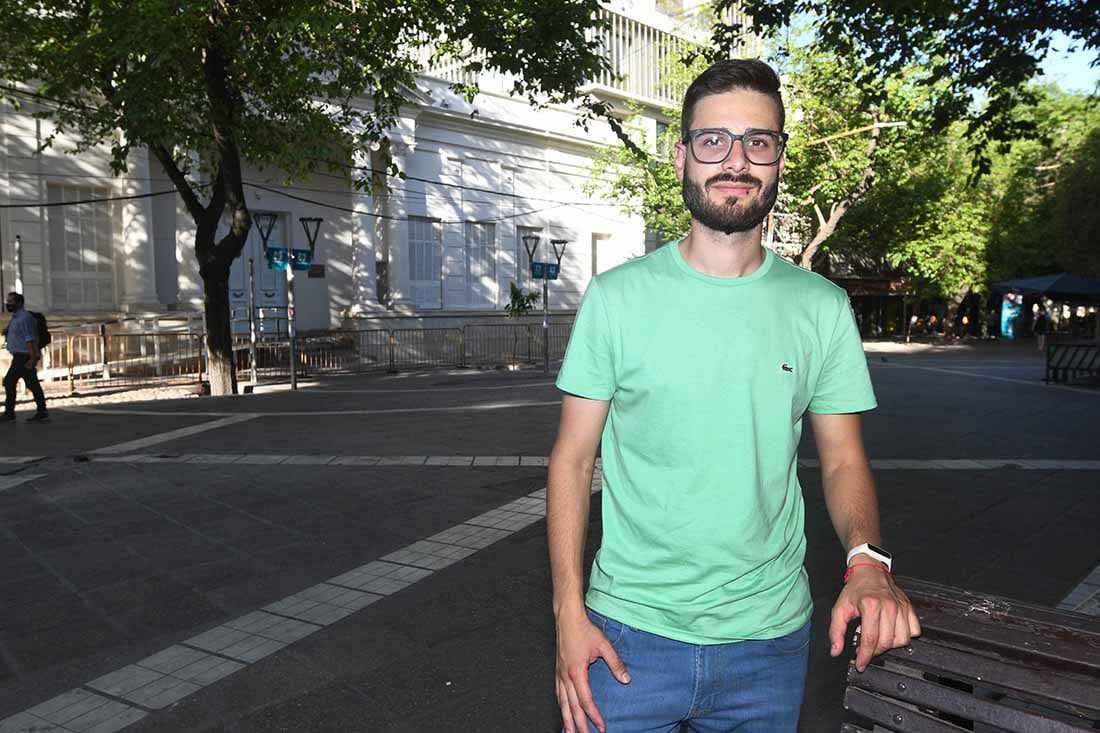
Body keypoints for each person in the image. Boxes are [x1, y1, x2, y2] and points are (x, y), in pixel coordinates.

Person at [548, 59, 919, 733]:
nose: (736, 160)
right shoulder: (616, 299)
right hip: (624, 633)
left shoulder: (823, 307)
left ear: (779, 159)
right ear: (682, 152)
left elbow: (841, 460)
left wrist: (866, 558)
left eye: (758, 141)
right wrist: (568, 614)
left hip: (768, 645)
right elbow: (572, 461)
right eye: (714, 140)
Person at [3, 292, 49, 422]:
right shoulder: (16, 317)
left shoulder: (25, 318)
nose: (8, 304)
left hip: (24, 356)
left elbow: (30, 339)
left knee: (9, 382)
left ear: (19, 303)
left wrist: (33, 358)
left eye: (11, 301)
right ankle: (42, 411)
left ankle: (9, 413)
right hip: (20, 355)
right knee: (32, 383)